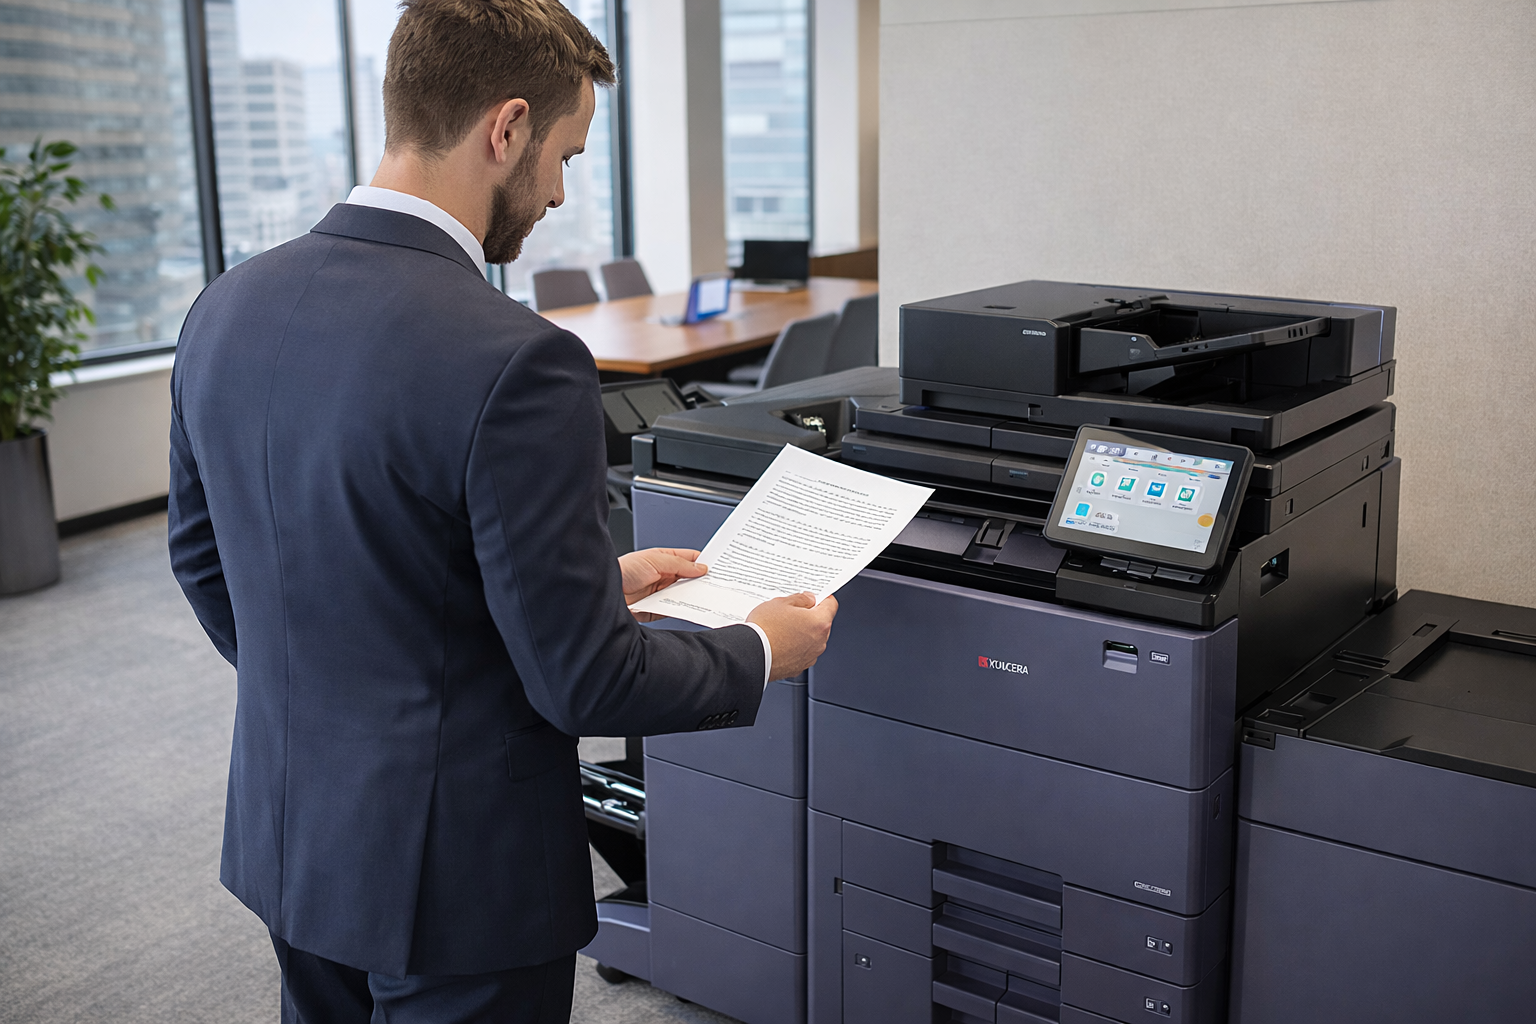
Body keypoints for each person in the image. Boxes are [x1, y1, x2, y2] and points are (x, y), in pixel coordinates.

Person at [166, 1, 838, 1021]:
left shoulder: (226, 305)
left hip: (292, 833)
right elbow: (584, 683)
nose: (561, 190)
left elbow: (210, 561)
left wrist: (578, 588)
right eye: (564, 153)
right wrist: (755, 647)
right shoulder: (517, 358)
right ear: (507, 127)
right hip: (461, 878)